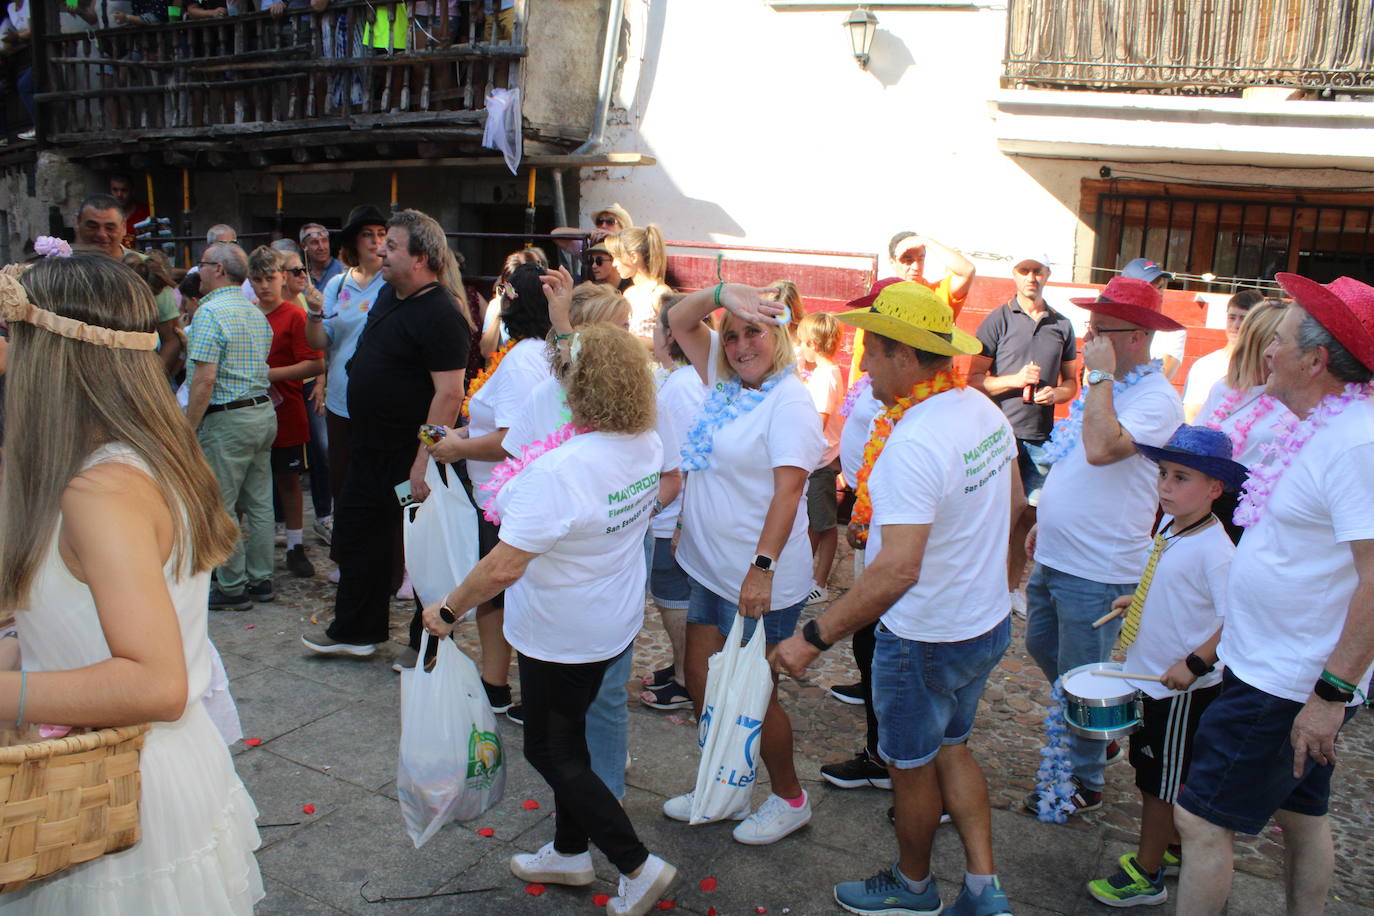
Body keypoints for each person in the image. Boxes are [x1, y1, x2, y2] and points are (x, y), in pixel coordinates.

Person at [0, 254, 263, 913]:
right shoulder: (148, 452)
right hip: (147, 772)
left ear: (48, 354)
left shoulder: (100, 489)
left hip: (118, 789)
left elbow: (156, 683)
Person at [774, 278, 1018, 916]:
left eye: (872, 352)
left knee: (910, 766)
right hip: (982, 622)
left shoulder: (914, 441)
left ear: (907, 357)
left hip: (925, 636)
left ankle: (913, 889)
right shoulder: (979, 410)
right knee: (954, 747)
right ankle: (983, 887)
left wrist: (812, 638)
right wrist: (1001, 583)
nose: (863, 364)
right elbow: (1018, 508)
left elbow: (896, 570)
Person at [420, 322, 676, 916]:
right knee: (574, 738)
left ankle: (636, 865)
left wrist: (448, 610)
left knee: (550, 748)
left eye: (564, 376)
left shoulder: (558, 472)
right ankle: (568, 851)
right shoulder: (644, 440)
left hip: (561, 630)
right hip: (609, 618)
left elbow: (503, 568)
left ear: (581, 388)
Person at [1175, 274, 1374, 916]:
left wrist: (1330, 695)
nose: (1265, 350)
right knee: (1303, 814)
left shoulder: (1356, 443)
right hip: (1273, 666)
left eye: (1279, 341)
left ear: (1316, 360)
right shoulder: (1324, 424)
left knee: (1201, 823)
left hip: (1286, 683)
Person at [663, 278, 824, 846]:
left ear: (778, 335)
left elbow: (788, 492)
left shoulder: (790, 400)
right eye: (731, 336)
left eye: (753, 332)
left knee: (756, 694)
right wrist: (723, 293)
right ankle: (723, 786)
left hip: (759, 577)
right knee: (705, 682)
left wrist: (761, 568)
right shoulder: (728, 384)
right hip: (709, 567)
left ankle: (789, 799)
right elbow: (681, 319)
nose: (739, 345)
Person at [1023, 276, 1185, 815]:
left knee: (1079, 677)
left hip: (1099, 567)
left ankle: (1085, 783)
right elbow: (1073, 457)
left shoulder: (1156, 399)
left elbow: (1099, 448)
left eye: (1100, 330)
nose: (1089, 338)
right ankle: (1101, 728)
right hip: (1060, 552)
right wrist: (1047, 515)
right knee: (1044, 651)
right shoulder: (1112, 386)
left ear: (1135, 337)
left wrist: (1098, 378)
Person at [497, 276, 654, 801]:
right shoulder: (546, 396)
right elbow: (513, 467)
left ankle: (600, 801)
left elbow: (668, 474)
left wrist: (614, 510)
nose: (627, 345)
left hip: (615, 556)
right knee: (560, 705)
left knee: (605, 696)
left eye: (629, 330)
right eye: (617, 331)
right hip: (550, 574)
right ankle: (578, 814)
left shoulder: (641, 405)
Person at [1084, 426, 1244, 908]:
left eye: (1181, 477)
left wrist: (1194, 663)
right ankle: (1171, 849)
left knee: (1158, 785)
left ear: (1216, 488)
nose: (1166, 486)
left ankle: (1147, 873)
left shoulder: (1217, 553)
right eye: (1162, 474)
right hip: (1151, 677)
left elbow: (1236, 620)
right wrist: (1139, 598)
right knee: (1156, 773)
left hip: (1180, 691)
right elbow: (1176, 585)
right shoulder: (1172, 525)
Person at [300, 210, 470, 658]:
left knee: (419, 550)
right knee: (358, 536)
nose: (380, 251)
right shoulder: (390, 296)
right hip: (368, 447)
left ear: (420, 258)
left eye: (391, 246)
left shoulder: (441, 312)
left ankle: (427, 646)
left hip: (407, 454)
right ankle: (358, 631)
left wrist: (422, 460)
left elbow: (449, 394)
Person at [416, 260, 551, 706]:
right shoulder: (530, 353)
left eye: (502, 292)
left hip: (502, 497)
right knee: (502, 598)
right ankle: (496, 683)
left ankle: (506, 686)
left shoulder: (521, 361)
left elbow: (513, 439)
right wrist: (458, 435)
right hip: (505, 493)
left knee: (502, 592)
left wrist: (458, 448)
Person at [969, 253, 1078, 619]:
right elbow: (974, 379)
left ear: (1048, 274)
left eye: (1038, 271)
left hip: (1039, 437)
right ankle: (979, 587)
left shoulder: (1061, 324)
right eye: (1024, 270)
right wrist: (1015, 380)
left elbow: (1071, 384)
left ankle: (1010, 588)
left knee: (1025, 518)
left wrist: (1055, 395)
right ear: (1014, 274)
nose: (1031, 277)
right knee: (990, 515)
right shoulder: (998, 319)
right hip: (998, 437)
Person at [186, 241, 277, 611]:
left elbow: (204, 380)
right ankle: (261, 578)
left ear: (219, 270)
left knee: (220, 503)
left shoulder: (210, 313)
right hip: (261, 412)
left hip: (228, 417)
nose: (198, 271)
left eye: (203, 264)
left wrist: (186, 429)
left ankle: (232, 585)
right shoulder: (255, 312)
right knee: (259, 502)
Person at [639, 297, 708, 711]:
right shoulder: (681, 380)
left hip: (670, 513)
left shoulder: (681, 386)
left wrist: (676, 517)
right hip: (673, 510)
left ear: (669, 335)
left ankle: (685, 678)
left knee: (673, 597)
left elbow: (682, 460)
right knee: (674, 595)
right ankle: (681, 666)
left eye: (654, 326)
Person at [303, 204, 388, 505]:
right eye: (368, 234)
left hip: (380, 398)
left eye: (381, 233)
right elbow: (320, 340)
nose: (376, 240)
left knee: (377, 480)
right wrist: (314, 313)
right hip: (340, 395)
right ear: (354, 240)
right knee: (341, 476)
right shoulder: (338, 284)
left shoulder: (393, 283)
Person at [247, 246, 323, 579]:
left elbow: (316, 362)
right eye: (258, 279)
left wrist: (269, 375)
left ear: (283, 278)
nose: (265, 285)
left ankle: (295, 545)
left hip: (287, 409)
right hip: (250, 409)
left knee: (289, 481)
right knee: (249, 482)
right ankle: (248, 550)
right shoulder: (246, 312)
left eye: (271, 278)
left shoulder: (294, 315)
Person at [1195, 300, 1293, 542]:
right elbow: (1196, 442)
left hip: (1257, 511)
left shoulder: (1292, 398)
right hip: (1207, 502)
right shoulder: (1223, 388)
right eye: (1277, 339)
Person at [74, 194, 182, 375]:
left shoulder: (146, 269)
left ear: (124, 227)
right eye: (93, 226)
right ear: (78, 223)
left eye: (110, 227)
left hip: (134, 377)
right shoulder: (60, 268)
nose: (101, 234)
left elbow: (171, 338)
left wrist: (151, 382)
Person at [280, 248, 334, 543]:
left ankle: (324, 516)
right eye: (296, 271)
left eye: (304, 269)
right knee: (285, 459)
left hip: (308, 384)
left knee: (322, 450)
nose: (304, 275)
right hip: (283, 389)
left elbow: (322, 345)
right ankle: (283, 524)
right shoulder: (269, 307)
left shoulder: (304, 301)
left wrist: (321, 380)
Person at [796, 311, 844, 605]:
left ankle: (814, 580)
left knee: (819, 524)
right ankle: (816, 579)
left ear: (814, 344)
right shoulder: (825, 373)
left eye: (802, 342)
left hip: (821, 463)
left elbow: (819, 423)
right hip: (823, 460)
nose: (799, 348)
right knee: (824, 523)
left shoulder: (825, 377)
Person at [1182, 289, 1264, 423]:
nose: (1236, 325)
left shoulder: (1266, 368)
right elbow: (1192, 415)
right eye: (1232, 318)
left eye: (1243, 319)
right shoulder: (1206, 365)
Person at [1123, 259, 1187, 381]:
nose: (1159, 292)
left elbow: (1159, 379)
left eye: (1161, 286)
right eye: (1150, 287)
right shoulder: (1111, 322)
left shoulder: (1173, 332)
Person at [607, 225, 671, 344]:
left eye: (617, 257)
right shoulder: (629, 292)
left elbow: (671, 340)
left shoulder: (659, 293)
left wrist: (629, 340)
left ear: (634, 257)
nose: (614, 264)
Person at [480, 248, 548, 359]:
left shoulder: (543, 304)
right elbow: (486, 352)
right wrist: (500, 306)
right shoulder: (496, 305)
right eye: (509, 287)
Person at [109, 173, 151, 249]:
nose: (119, 194)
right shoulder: (105, 214)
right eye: (115, 190)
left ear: (132, 191)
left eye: (124, 190)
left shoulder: (147, 213)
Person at [300, 222, 345, 291]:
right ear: (303, 246)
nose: (321, 247)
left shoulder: (343, 271)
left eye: (324, 241)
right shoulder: (300, 275)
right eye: (314, 242)